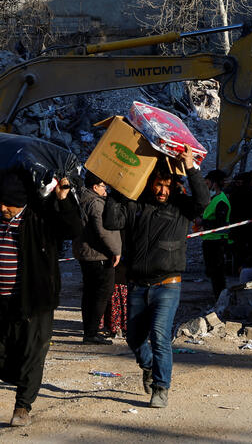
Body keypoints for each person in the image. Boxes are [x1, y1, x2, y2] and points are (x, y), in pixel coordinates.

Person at [0, 172, 81, 427]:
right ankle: (26, 378)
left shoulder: (40, 219)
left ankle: (23, 405)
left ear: (22, 202)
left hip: (33, 301)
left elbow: (72, 228)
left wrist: (63, 199)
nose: (3, 207)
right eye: (0, 201)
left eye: (8, 203)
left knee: (33, 352)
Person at [103, 145, 209, 409]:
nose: (162, 191)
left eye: (166, 185)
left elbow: (203, 201)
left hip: (168, 285)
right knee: (134, 339)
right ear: (150, 184)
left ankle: (161, 388)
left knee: (160, 336)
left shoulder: (182, 206)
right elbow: (110, 221)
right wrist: (118, 186)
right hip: (138, 285)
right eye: (158, 185)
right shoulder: (137, 204)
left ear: (173, 185)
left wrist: (192, 167)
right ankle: (148, 366)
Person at [76, 173, 122, 345]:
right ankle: (92, 332)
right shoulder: (95, 203)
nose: (105, 189)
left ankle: (89, 330)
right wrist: (115, 250)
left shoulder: (82, 199)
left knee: (89, 293)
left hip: (86, 254)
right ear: (95, 187)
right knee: (102, 292)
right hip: (98, 255)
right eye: (103, 186)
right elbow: (102, 230)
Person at [200, 169, 232, 301]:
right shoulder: (214, 199)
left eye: (207, 184)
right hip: (210, 240)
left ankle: (220, 299)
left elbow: (220, 222)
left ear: (214, 184)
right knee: (213, 272)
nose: (206, 187)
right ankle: (218, 297)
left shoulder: (221, 201)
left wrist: (202, 222)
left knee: (217, 273)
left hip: (217, 241)